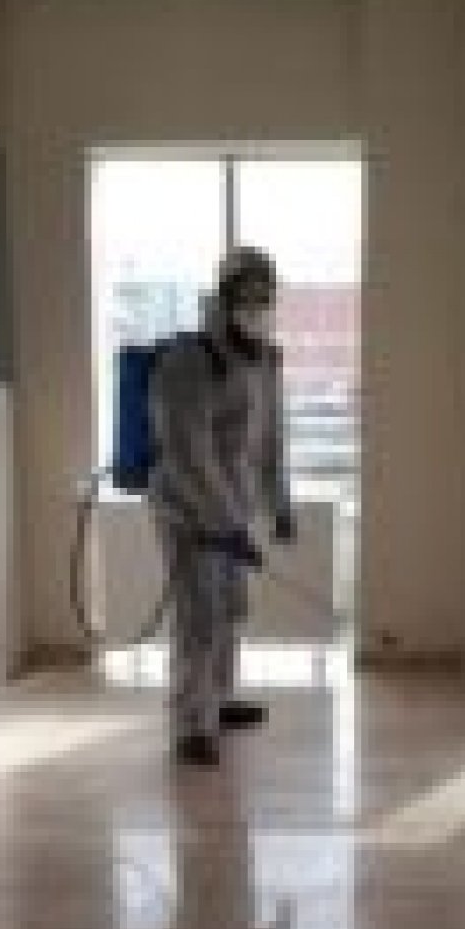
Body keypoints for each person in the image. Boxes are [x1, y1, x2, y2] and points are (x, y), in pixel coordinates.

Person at [149, 245, 293, 766]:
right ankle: (191, 725)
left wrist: (278, 503)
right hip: (189, 511)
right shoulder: (190, 360)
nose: (258, 306)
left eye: (266, 296)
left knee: (231, 607)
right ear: (225, 296)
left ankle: (220, 699)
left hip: (234, 508)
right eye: (248, 295)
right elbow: (189, 452)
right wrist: (224, 522)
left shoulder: (265, 360)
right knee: (199, 615)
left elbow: (271, 438)